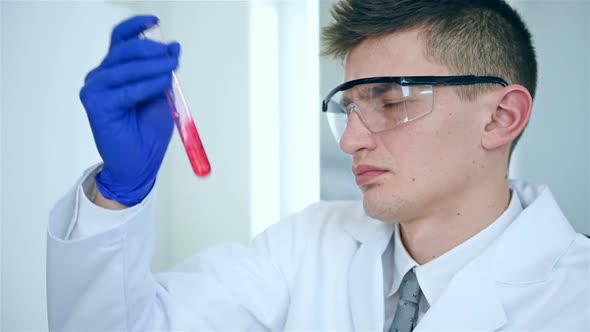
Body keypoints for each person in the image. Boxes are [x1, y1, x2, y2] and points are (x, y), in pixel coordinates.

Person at [47, 1, 589, 331]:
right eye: (349, 108)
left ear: (500, 117)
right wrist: (118, 194)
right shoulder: (308, 244)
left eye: (392, 101)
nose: (352, 139)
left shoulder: (575, 300)